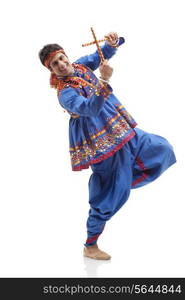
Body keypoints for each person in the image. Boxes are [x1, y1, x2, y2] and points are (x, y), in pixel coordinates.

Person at [39, 32, 176, 260]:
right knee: (107, 194)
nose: (62, 65)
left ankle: (121, 182)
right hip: (101, 141)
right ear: (51, 70)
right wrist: (104, 81)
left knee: (162, 149)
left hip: (120, 127)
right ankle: (90, 245)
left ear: (66, 56)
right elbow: (90, 108)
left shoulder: (80, 66)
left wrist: (114, 42)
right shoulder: (65, 93)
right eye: (55, 64)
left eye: (62, 58)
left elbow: (100, 55)